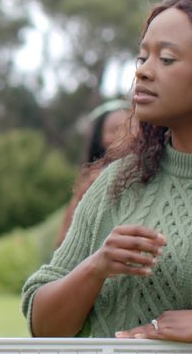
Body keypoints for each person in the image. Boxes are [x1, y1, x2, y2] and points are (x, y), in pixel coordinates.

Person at [22, 0, 192, 348]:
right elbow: (44, 327)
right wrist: (96, 266)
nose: (142, 71)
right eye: (142, 56)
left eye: (166, 59)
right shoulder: (118, 182)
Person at [54, 99, 136, 247]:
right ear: (100, 139)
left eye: (131, 126)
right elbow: (63, 242)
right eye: (115, 129)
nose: (126, 134)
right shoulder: (93, 182)